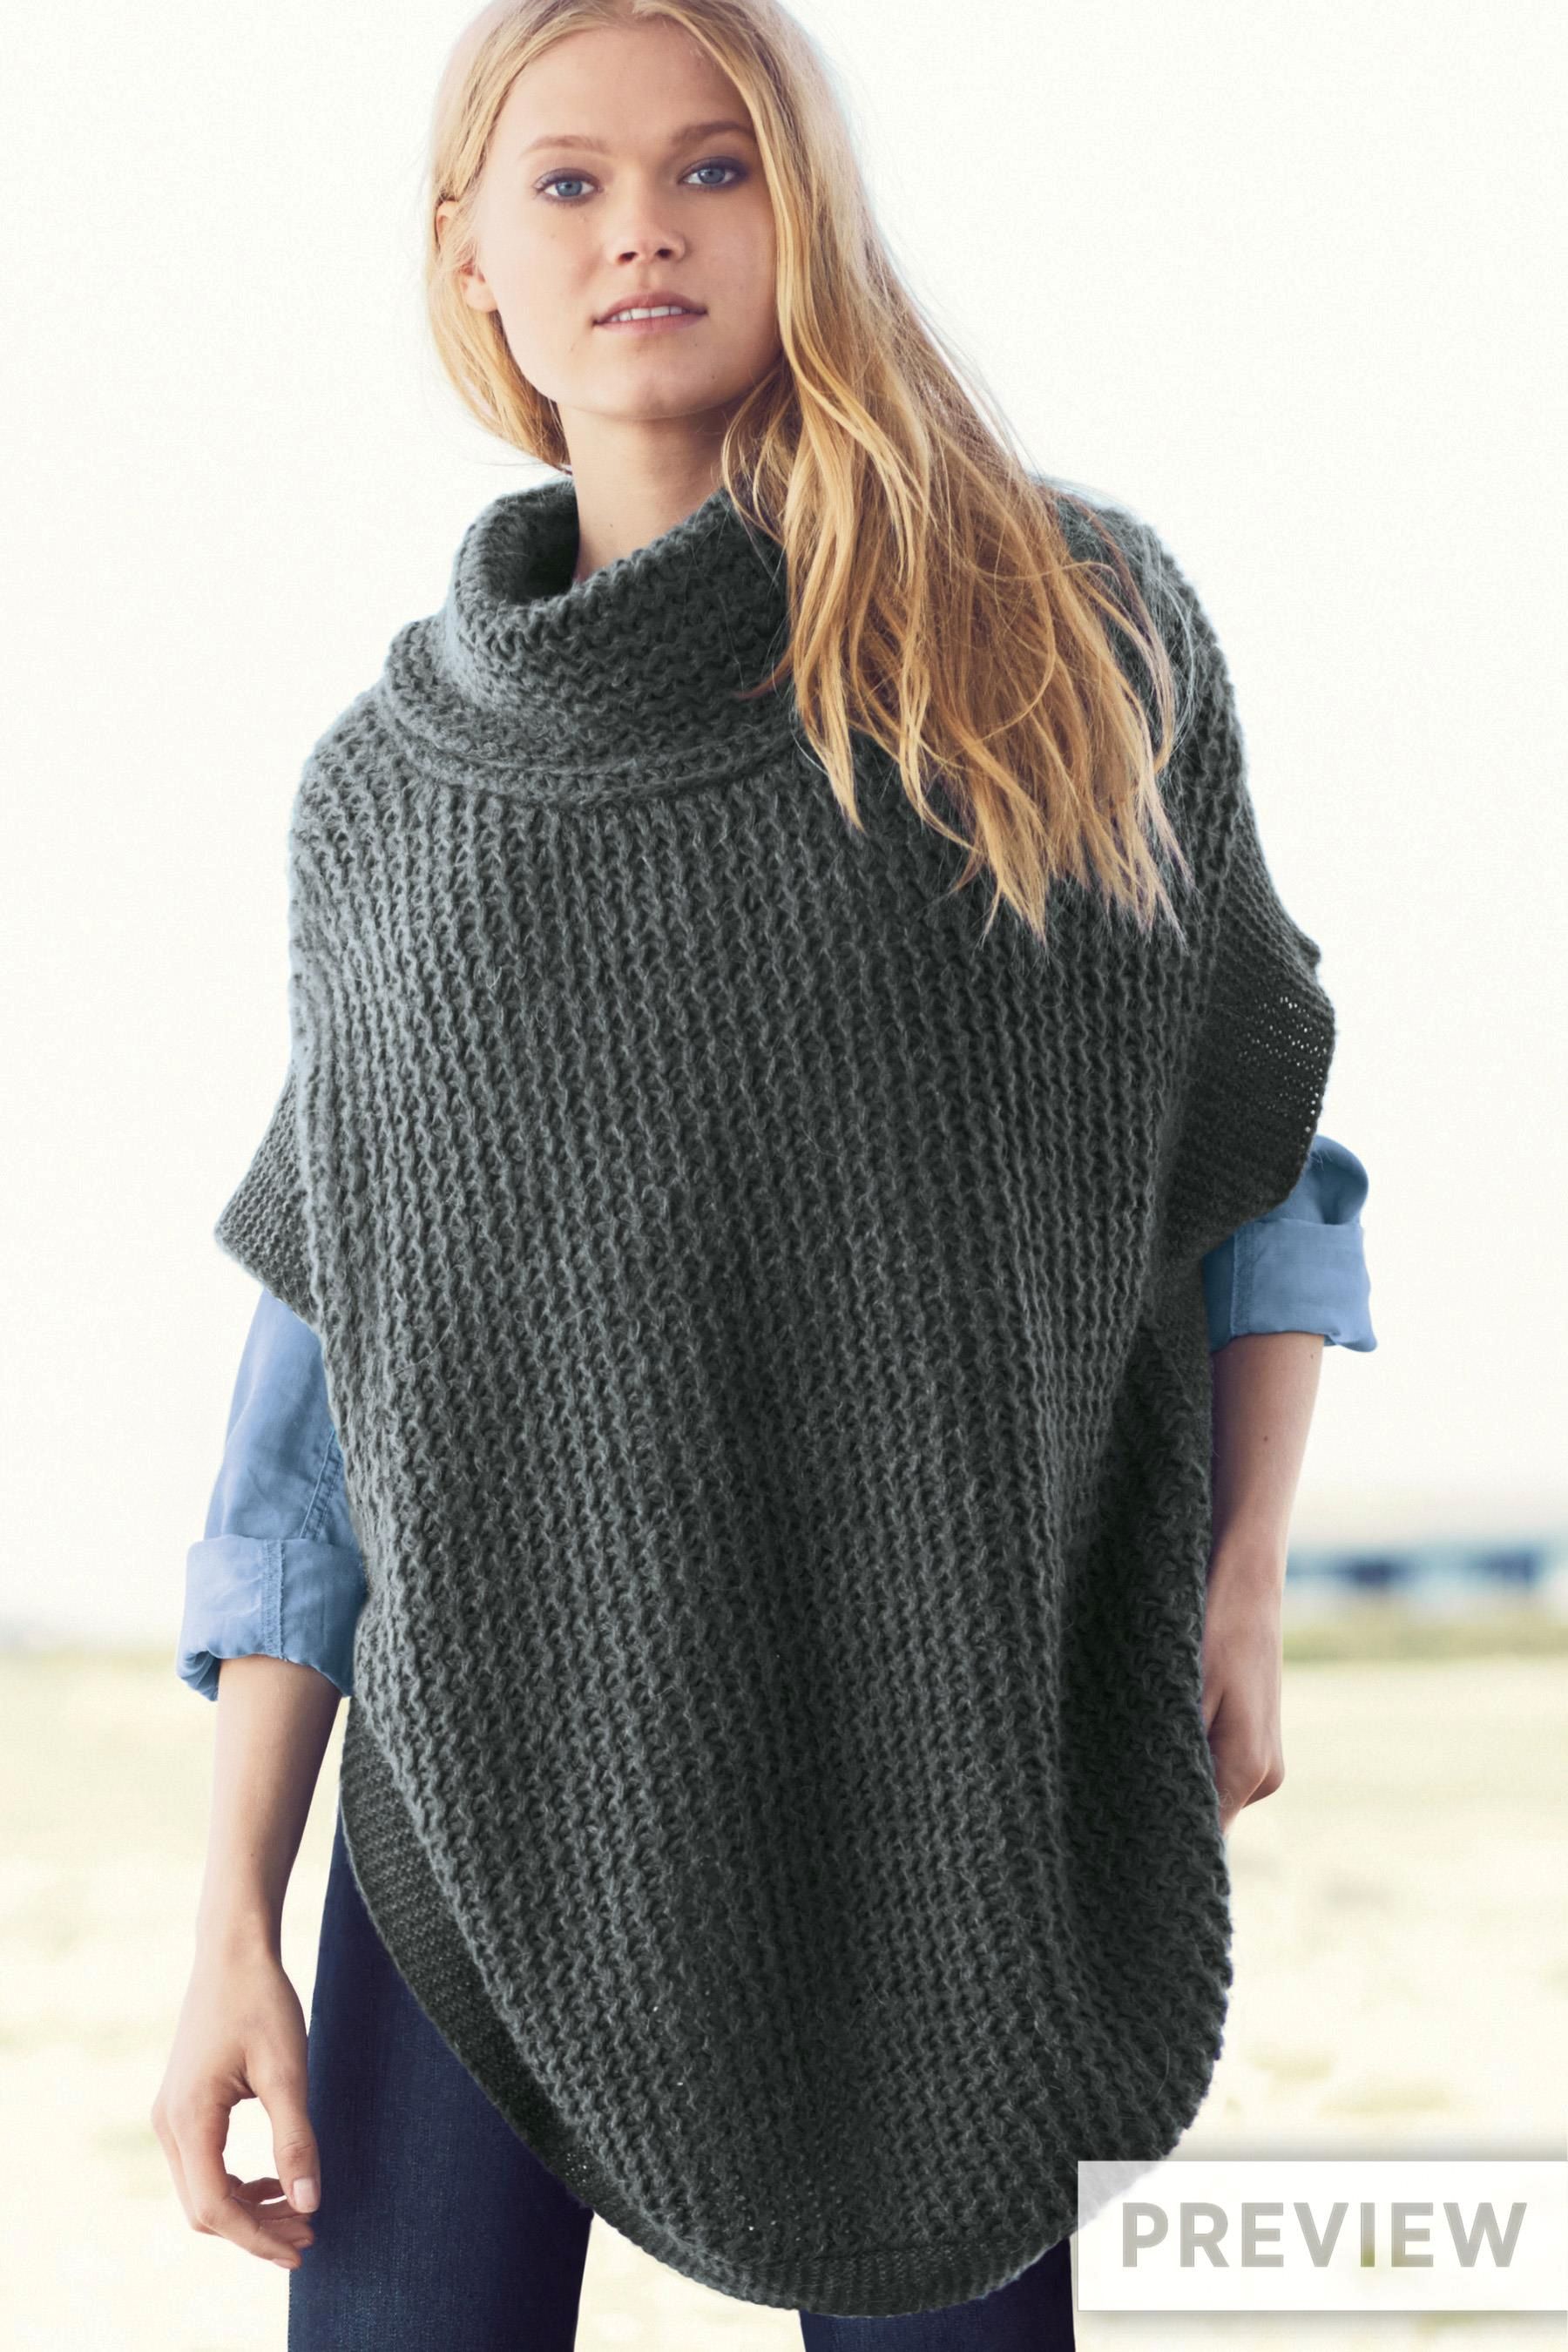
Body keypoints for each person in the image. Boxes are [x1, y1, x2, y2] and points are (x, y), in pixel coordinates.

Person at [152, 0, 1376, 2342]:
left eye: (716, 168)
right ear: (470, 256)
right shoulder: (388, 798)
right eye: (571, 181)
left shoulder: (1052, 635)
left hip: (948, 1770)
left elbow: (1244, 1146)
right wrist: (232, 1912)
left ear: (806, 215)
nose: (646, 230)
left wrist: (1234, 1589)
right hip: (481, 1782)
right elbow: (321, 1388)